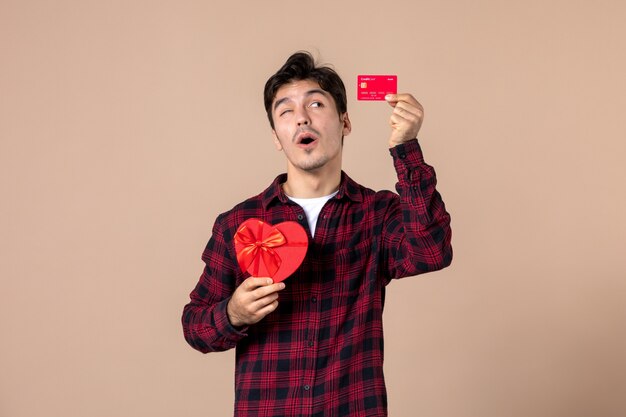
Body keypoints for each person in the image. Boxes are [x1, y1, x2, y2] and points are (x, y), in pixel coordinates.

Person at [182, 51, 452, 417]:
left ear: (345, 122)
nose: (302, 118)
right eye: (285, 111)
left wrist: (406, 148)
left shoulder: (377, 214)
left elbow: (431, 252)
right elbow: (195, 325)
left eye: (315, 104)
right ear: (277, 137)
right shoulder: (239, 223)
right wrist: (233, 313)